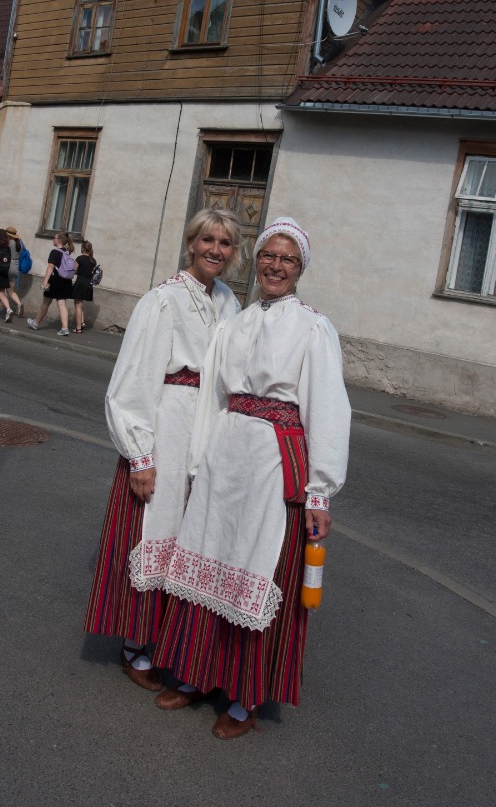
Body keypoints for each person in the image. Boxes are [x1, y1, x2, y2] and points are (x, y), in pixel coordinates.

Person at [152, 217, 351, 738]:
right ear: (256, 260)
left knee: (254, 565)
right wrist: (198, 463)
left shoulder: (312, 327)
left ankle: (243, 697)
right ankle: (196, 674)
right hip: (225, 454)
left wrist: (320, 491)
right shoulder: (232, 325)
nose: (276, 265)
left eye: (287, 259)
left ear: (300, 267)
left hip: (271, 463)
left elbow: (329, 410)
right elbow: (212, 401)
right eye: (269, 255)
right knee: (209, 553)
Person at [83, 208, 242, 692]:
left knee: (193, 537)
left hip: (209, 427)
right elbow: (132, 382)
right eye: (207, 240)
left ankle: (173, 641)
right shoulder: (163, 301)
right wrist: (141, 456)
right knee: (155, 529)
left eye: (225, 243)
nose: (215, 249)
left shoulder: (231, 302)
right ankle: (135, 643)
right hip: (169, 425)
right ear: (191, 243)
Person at [26, 232, 75, 336]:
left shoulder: (55, 252)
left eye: (54, 238)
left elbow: (50, 267)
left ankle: (36, 323)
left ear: (59, 241)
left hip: (55, 280)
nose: (53, 239)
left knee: (45, 303)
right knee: (62, 304)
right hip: (66, 281)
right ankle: (65, 328)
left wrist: (45, 281)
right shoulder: (67, 252)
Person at [0, 225, 23, 317]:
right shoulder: (19, 243)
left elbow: (0, 251)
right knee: (11, 291)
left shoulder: (9, 243)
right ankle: (19, 304)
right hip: (16, 268)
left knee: (0, 290)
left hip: (6, 267)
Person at [72, 240, 96, 333]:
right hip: (87, 283)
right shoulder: (93, 260)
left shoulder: (80, 258)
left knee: (78, 305)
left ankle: (78, 328)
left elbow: (74, 270)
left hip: (80, 282)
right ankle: (81, 322)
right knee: (79, 302)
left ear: (82, 248)